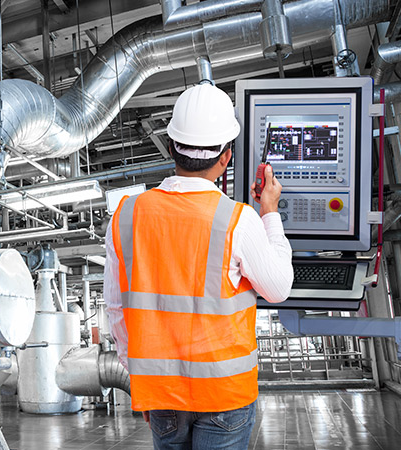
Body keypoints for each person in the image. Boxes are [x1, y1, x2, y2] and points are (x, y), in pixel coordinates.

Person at [104, 83, 293, 450]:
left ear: (172, 146)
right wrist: (269, 212)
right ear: (226, 158)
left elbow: (116, 309)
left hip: (160, 394)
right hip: (225, 395)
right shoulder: (238, 219)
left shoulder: (126, 215)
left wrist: (145, 381)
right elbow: (278, 287)